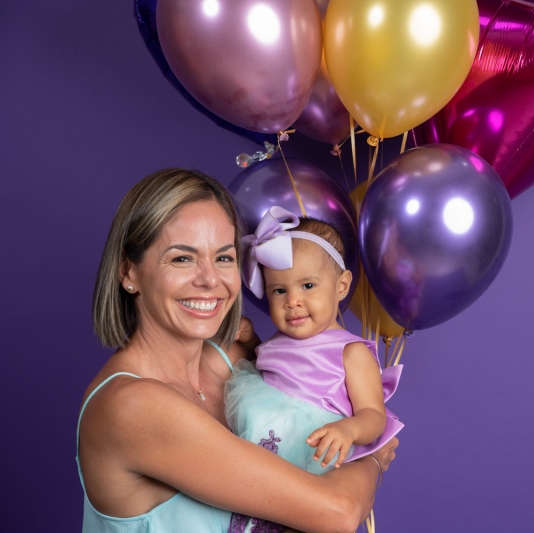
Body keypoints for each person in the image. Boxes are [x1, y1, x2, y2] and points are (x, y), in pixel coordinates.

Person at [79, 168, 397, 533]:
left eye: (224, 258)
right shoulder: (132, 405)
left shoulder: (238, 361)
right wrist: (372, 460)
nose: (210, 280)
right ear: (128, 272)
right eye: (182, 258)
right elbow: (336, 513)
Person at [225, 207, 403, 484]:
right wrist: (251, 341)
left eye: (307, 285)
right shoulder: (279, 340)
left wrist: (349, 429)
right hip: (259, 457)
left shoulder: (351, 352)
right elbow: (269, 372)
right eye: (279, 290)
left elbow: (374, 415)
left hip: (309, 459)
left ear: (341, 286)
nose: (292, 301)